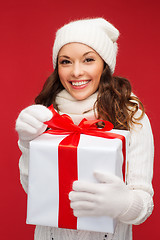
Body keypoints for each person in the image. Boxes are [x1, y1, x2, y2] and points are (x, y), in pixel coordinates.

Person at [15, 18, 154, 240]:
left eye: (88, 60)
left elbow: (144, 206)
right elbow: (33, 191)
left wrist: (124, 204)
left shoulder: (131, 115)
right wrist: (27, 143)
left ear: (104, 65)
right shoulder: (45, 114)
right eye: (66, 61)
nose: (76, 72)